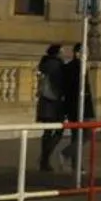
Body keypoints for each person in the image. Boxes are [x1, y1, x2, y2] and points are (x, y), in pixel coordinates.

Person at [35, 43, 68, 171]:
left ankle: (44, 159)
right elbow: (59, 85)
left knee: (47, 132)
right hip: (54, 101)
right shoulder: (57, 66)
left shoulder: (45, 64)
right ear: (57, 53)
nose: (64, 54)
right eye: (62, 51)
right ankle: (45, 158)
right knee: (58, 131)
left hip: (44, 101)